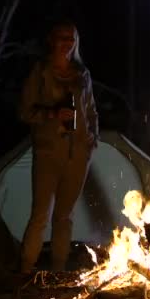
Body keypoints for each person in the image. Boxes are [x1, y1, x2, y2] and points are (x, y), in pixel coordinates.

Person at [18, 19, 99, 274]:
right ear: (52, 40)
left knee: (65, 216)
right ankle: (26, 269)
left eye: (71, 38)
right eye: (62, 37)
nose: (66, 42)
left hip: (78, 155)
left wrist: (92, 138)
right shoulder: (41, 71)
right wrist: (52, 115)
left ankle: (58, 270)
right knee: (41, 213)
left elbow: (91, 110)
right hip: (48, 151)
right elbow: (24, 111)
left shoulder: (82, 74)